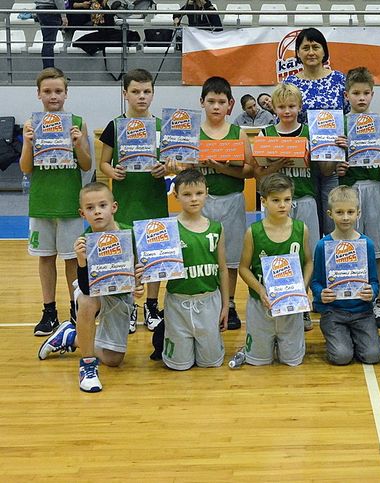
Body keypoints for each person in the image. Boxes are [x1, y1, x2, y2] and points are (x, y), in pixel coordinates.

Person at [166, 76, 253, 335]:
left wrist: (221, 168)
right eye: (211, 101)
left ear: (230, 105)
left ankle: (230, 303)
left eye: (221, 102)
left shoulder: (238, 133)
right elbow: (183, 169)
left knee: (232, 257)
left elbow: (250, 171)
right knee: (203, 253)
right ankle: (208, 299)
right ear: (201, 102)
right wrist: (177, 167)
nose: (216, 106)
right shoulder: (191, 133)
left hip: (232, 199)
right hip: (200, 203)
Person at [37, 182, 144, 393]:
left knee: (113, 359)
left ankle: (71, 337)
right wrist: (81, 260)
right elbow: (86, 288)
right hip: (92, 291)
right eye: (90, 208)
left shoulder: (130, 234)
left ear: (114, 207)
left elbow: (137, 272)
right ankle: (87, 366)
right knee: (86, 301)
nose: (97, 211)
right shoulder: (84, 242)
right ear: (82, 213)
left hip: (119, 296)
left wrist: (138, 286)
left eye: (102, 205)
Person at [252, 83, 334, 330]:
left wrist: (329, 149)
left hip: (306, 199)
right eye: (281, 107)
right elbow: (258, 174)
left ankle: (303, 303)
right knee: (278, 253)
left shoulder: (311, 132)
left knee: (306, 255)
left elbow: (326, 170)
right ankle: (279, 299)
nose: (287, 111)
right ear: (274, 108)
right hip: (276, 202)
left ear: (300, 107)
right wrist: (279, 163)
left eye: (291, 106)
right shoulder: (265, 134)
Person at [19, 67, 92, 336]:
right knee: (46, 258)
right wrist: (28, 143)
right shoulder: (31, 124)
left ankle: (75, 310)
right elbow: (26, 168)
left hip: (70, 204)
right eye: (47, 91)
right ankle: (49, 312)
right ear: (38, 94)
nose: (53, 96)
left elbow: (87, 165)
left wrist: (78, 144)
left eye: (58, 91)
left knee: (72, 260)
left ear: (66, 94)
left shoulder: (78, 122)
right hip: (42, 203)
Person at [98, 68, 168, 334]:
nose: (142, 96)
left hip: (153, 200)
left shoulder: (162, 127)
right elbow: (103, 162)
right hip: (125, 202)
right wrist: (111, 171)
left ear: (153, 94)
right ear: (124, 93)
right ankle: (128, 306)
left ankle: (151, 305)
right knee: (127, 256)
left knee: (153, 256)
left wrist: (165, 168)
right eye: (136, 91)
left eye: (147, 91)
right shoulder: (115, 126)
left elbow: (174, 162)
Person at [334, 66, 380, 328]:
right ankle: (349, 298)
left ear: (372, 94)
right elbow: (331, 161)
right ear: (346, 95)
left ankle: (377, 302)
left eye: (366, 93)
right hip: (349, 190)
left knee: (378, 249)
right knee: (348, 246)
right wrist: (338, 165)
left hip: (376, 187)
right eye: (356, 93)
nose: (361, 98)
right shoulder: (339, 124)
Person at [235, 173, 313, 366]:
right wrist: (260, 290)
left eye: (287, 199)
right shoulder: (253, 232)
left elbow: (308, 262)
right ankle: (256, 346)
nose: (282, 205)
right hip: (261, 303)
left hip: (290, 304)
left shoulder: (301, 229)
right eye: (276, 200)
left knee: (292, 361)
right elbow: (243, 268)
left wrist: (302, 287)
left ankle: (281, 343)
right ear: (264, 201)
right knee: (258, 361)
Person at [285, 27, 349, 235]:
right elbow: (283, 120)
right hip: (303, 166)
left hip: (334, 163)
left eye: (315, 47)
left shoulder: (340, 80)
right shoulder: (290, 83)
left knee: (334, 223)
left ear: (324, 51)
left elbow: (349, 118)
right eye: (305, 48)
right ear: (297, 53)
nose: (311, 52)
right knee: (307, 228)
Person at [162, 169, 228, 370]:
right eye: (187, 194)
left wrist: (226, 305)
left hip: (209, 301)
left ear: (206, 192)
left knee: (211, 363)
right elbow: (157, 268)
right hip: (178, 302)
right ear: (175, 195)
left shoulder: (217, 228)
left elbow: (223, 269)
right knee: (179, 365)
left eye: (199, 193)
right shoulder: (168, 228)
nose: (194, 199)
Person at [310, 186, 380, 365]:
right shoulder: (322, 245)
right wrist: (320, 293)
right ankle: (342, 339)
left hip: (362, 312)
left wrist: (372, 292)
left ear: (358, 213)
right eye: (339, 212)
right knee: (341, 357)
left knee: (373, 356)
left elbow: (374, 281)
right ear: (330, 214)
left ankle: (357, 339)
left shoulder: (366, 244)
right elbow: (316, 281)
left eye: (350, 212)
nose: (345, 217)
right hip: (333, 312)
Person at [34, 0, 68, 68]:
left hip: (40, 9)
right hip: (50, 10)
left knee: (47, 42)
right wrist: (63, 16)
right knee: (49, 44)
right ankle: (49, 69)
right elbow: (59, 1)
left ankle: (48, 68)